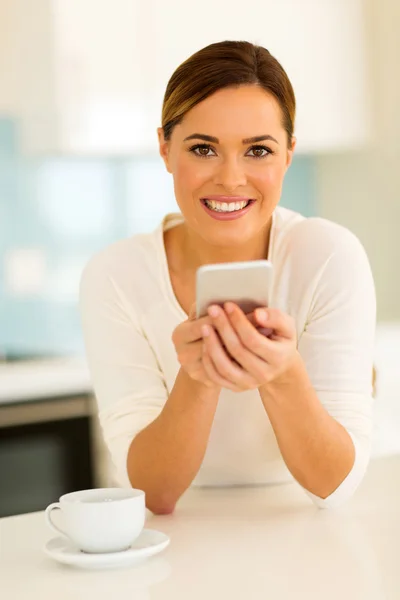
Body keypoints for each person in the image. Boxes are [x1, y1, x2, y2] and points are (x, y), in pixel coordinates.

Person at [79, 40, 376, 514]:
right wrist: (198, 378)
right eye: (203, 149)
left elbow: (334, 484)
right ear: (165, 148)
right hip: (164, 542)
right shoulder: (115, 275)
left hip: (299, 525)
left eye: (258, 150)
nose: (231, 179)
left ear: (288, 154)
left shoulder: (327, 256)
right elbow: (152, 494)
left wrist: (285, 376)